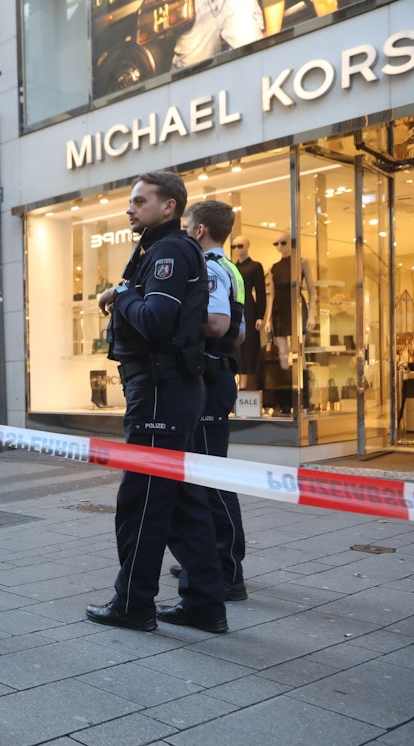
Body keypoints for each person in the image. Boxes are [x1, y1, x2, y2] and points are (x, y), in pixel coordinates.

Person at [86, 171, 227, 634]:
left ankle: (133, 603)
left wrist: (122, 293)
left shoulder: (168, 250)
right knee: (184, 501)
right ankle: (205, 602)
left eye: (140, 201)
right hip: (170, 389)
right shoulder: (163, 248)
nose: (130, 208)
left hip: (161, 392)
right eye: (130, 201)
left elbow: (156, 320)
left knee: (141, 501)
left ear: (169, 207)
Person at [169, 200, 249, 602]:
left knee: (212, 476)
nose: (183, 232)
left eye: (186, 225)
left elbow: (217, 324)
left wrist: (172, 316)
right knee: (202, 472)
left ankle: (229, 571)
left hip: (211, 377)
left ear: (199, 230)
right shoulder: (231, 268)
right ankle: (206, 557)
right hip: (217, 374)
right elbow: (238, 334)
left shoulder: (210, 268)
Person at [263, 233, 316, 413]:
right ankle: (285, 402)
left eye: (283, 242)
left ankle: (304, 400)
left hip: (297, 307)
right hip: (279, 309)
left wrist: (312, 314)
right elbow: (272, 295)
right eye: (276, 243)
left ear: (291, 244)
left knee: (299, 355)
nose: (279, 246)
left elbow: (312, 290)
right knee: (283, 357)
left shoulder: (301, 262)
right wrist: (268, 318)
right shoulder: (273, 267)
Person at [171, 0, 263, 70]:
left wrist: (274, 37)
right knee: (189, 80)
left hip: (235, 4)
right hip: (192, 8)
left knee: (258, 63)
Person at [229, 235, 266, 390]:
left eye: (240, 246)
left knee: (249, 343)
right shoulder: (231, 266)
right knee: (233, 343)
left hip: (249, 307)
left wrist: (260, 316)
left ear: (248, 246)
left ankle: (244, 385)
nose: (237, 249)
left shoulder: (256, 267)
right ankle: (234, 381)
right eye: (234, 246)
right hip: (233, 305)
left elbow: (261, 292)